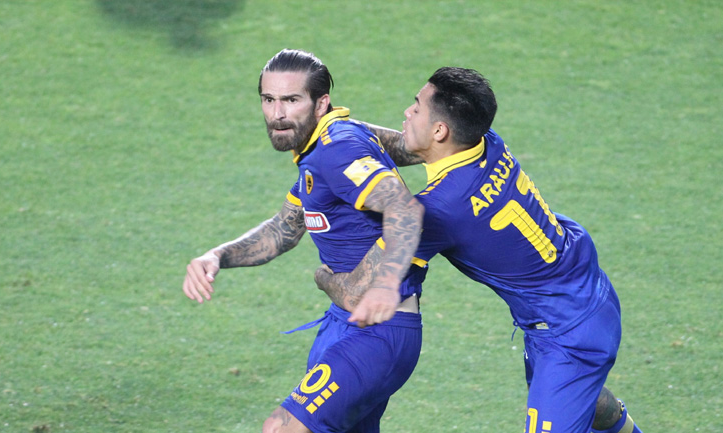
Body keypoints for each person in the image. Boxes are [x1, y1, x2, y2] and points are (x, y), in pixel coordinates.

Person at [315, 67, 642, 433]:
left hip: (568, 335)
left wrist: (323, 277)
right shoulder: (487, 142)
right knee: (584, 400)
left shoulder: (438, 210)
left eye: (416, 107)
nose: (407, 112)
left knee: (572, 390)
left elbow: (356, 292)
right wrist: (336, 131)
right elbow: (406, 146)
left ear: (441, 131)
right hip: (588, 292)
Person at [182, 48, 427, 433]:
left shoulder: (337, 149)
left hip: (378, 331)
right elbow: (284, 229)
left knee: (281, 428)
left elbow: (404, 208)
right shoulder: (318, 151)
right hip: (345, 323)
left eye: (291, 100)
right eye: (268, 100)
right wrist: (217, 256)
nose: (277, 113)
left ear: (320, 103)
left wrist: (382, 285)